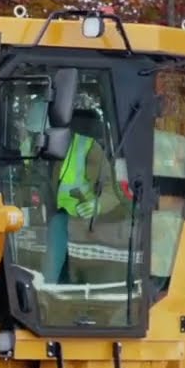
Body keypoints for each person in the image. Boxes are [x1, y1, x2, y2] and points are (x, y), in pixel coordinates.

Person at [41, 107, 126, 284]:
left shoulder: (89, 148)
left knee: (55, 273)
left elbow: (113, 190)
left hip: (79, 220)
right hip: (48, 217)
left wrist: (98, 205)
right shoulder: (43, 144)